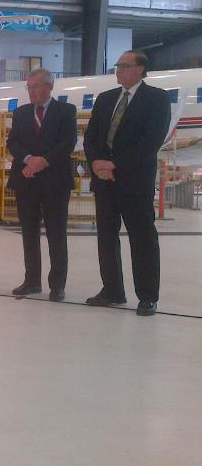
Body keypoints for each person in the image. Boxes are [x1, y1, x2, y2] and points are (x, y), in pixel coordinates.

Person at [84, 50, 170, 316]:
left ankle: (147, 296)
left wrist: (115, 164)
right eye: (118, 66)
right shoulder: (106, 99)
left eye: (124, 65)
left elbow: (151, 141)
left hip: (135, 181)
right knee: (106, 237)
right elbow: (91, 137)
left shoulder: (156, 98)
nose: (118, 70)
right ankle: (112, 290)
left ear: (140, 69)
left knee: (142, 238)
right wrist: (97, 163)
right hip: (104, 181)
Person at [6, 69, 77, 301]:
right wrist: (28, 159)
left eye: (36, 86)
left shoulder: (66, 111)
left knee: (56, 234)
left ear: (49, 86)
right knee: (29, 233)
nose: (32, 91)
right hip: (26, 180)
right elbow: (13, 142)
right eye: (29, 87)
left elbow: (67, 142)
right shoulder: (21, 113)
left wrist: (42, 161)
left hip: (55, 182)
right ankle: (32, 281)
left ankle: (57, 285)